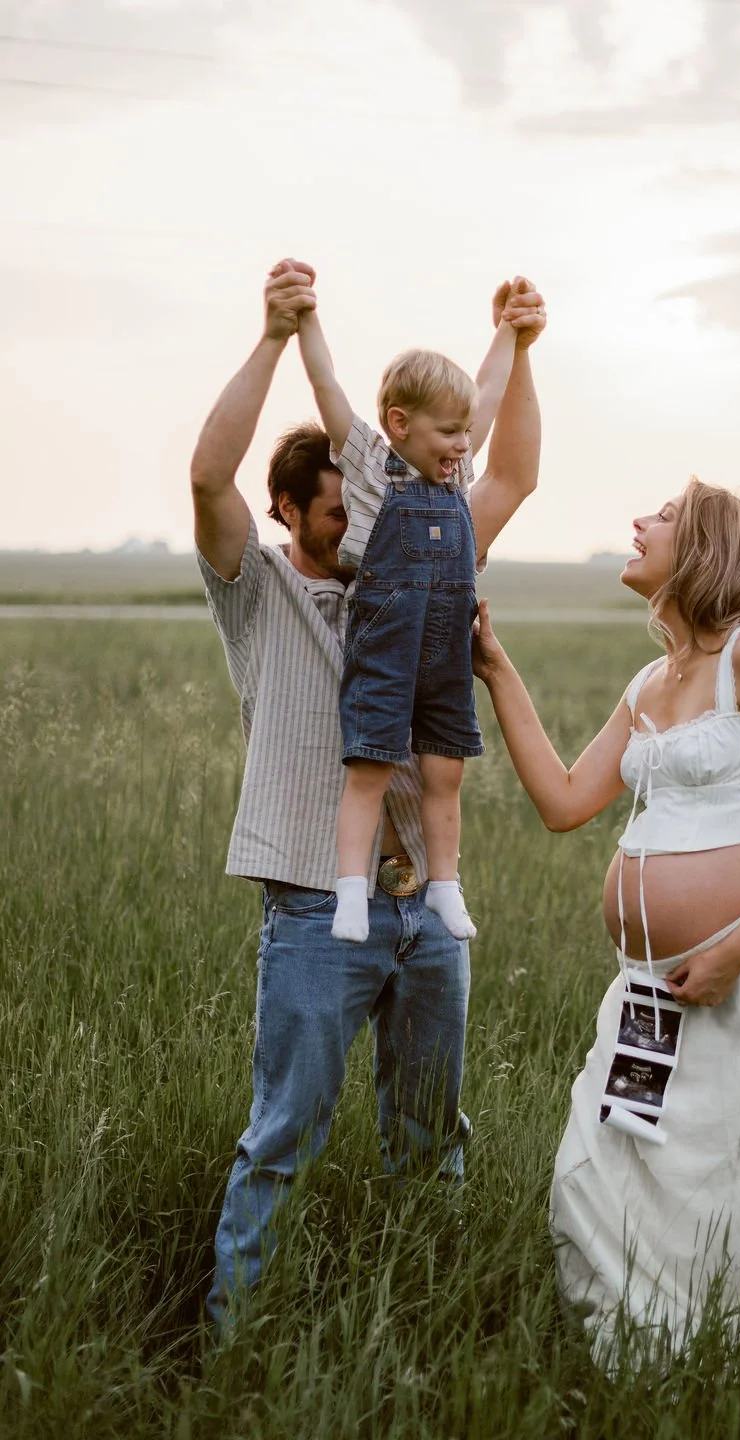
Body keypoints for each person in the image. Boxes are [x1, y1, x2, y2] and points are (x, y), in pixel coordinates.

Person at [190, 259, 546, 1332]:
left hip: (423, 916)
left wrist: (519, 348)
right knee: (282, 1136)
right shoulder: (259, 593)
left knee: (433, 1147)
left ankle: (425, 1331)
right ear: (289, 510)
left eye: (369, 511)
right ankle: (233, 1341)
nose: (358, 532)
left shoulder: (417, 549)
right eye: (337, 516)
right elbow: (208, 477)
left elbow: (509, 474)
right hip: (311, 908)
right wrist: (273, 338)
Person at [472, 477, 740, 1367]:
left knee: (734, 1169)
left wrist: (730, 951)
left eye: (664, 517)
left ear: (709, 547)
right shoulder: (651, 680)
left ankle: (738, 1358)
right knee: (610, 1156)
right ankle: (635, 1356)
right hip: (650, 995)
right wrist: (496, 667)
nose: (638, 523)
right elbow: (565, 801)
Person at [295, 299, 521, 944]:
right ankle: (350, 894)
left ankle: (445, 886)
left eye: (466, 433)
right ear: (399, 423)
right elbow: (327, 386)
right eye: (449, 432)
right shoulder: (371, 470)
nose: (462, 445)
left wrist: (507, 329)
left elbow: (490, 392)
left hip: (447, 644)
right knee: (370, 767)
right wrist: (308, 320)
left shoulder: (459, 473)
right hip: (387, 647)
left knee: (445, 769)